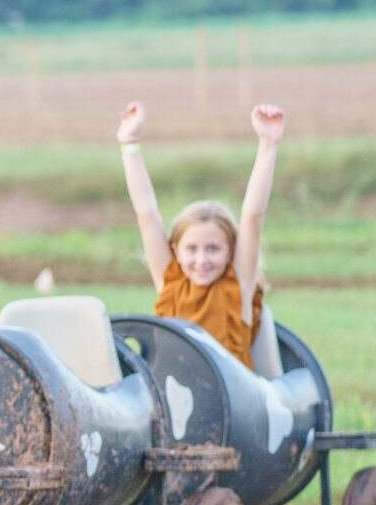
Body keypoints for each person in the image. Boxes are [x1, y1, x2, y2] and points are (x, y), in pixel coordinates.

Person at [116, 99, 285, 366]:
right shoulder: (170, 283)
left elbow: (252, 216)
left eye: (213, 249)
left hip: (233, 404)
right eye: (191, 249)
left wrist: (268, 144)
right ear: (175, 251)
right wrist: (130, 143)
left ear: (231, 251)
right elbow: (146, 212)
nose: (201, 259)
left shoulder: (237, 286)